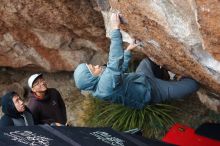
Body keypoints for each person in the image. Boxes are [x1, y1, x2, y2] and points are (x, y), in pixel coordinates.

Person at [73, 13, 199, 109]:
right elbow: (115, 62)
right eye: (92, 69)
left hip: (141, 78)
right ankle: (175, 81)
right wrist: (115, 28)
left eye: (91, 65)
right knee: (192, 85)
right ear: (91, 79)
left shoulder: (102, 81)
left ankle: (165, 77)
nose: (96, 66)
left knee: (148, 62)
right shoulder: (105, 87)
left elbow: (119, 71)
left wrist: (127, 51)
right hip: (152, 91)